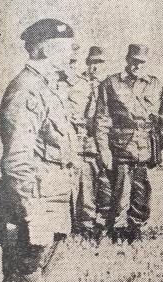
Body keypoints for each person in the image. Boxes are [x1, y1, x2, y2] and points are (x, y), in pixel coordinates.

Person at [0, 18, 77, 282]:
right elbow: (18, 160)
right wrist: (33, 213)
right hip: (34, 205)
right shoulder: (27, 90)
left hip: (53, 201)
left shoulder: (50, 88)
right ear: (44, 48)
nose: (73, 53)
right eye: (67, 47)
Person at [92, 44, 163, 243]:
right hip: (120, 145)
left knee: (142, 190)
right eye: (134, 61)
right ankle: (117, 230)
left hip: (146, 146)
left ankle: (136, 229)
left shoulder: (155, 84)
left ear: (146, 63)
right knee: (120, 191)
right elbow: (101, 120)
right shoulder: (110, 84)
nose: (137, 66)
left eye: (141, 62)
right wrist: (104, 150)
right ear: (127, 59)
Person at [62, 46, 111, 239]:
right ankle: (86, 225)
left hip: (106, 141)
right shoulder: (75, 84)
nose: (95, 67)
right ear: (87, 63)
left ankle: (105, 222)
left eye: (99, 63)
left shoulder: (110, 86)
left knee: (107, 183)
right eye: (92, 63)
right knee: (86, 184)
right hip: (83, 141)